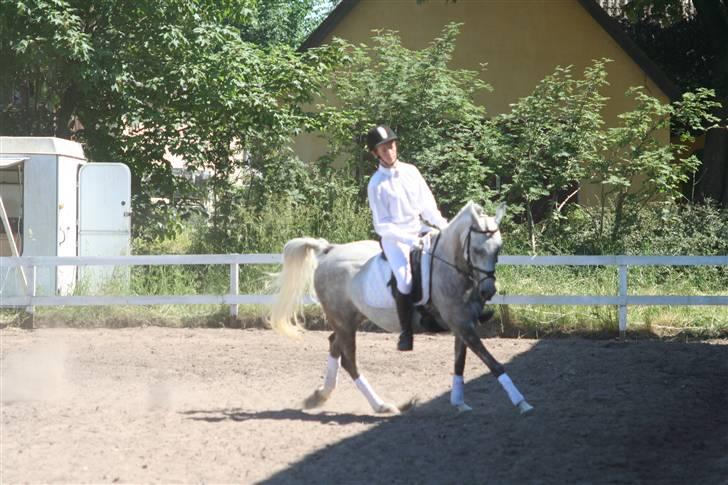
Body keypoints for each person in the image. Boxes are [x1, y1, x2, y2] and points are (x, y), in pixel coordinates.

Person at [366, 125, 448, 351]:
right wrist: (409, 240)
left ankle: (438, 312)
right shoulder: (375, 184)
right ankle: (405, 332)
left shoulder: (412, 171)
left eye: (391, 146)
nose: (389, 151)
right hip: (394, 238)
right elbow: (382, 225)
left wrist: (443, 226)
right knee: (405, 279)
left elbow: (428, 205)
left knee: (443, 259)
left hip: (418, 229)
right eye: (383, 149)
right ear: (376, 154)